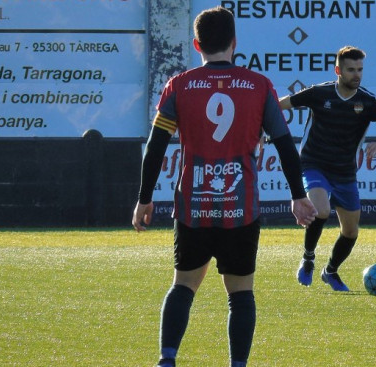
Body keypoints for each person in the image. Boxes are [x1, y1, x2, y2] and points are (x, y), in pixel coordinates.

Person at [131, 6, 316, 367]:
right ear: (234, 42)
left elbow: (155, 146)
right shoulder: (259, 86)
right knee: (241, 293)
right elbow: (284, 144)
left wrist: (144, 199)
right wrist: (298, 195)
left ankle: (166, 360)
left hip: (193, 207)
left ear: (196, 43)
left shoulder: (179, 85)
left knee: (183, 284)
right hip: (240, 208)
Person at [279, 46, 376, 291]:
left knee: (350, 231)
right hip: (313, 163)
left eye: (359, 69)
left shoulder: (367, 102)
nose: (356, 75)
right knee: (320, 209)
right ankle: (308, 259)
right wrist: (264, 130)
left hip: (345, 171)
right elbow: (278, 106)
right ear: (338, 70)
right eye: (350, 70)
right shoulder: (319, 93)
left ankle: (331, 271)